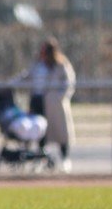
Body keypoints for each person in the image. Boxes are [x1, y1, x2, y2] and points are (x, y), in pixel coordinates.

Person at [17, 37, 76, 173]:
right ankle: (41, 158)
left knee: (61, 133)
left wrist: (59, 97)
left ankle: (65, 159)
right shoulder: (38, 65)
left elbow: (69, 83)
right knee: (40, 132)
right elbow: (27, 77)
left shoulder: (61, 65)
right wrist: (10, 83)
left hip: (54, 104)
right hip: (37, 101)